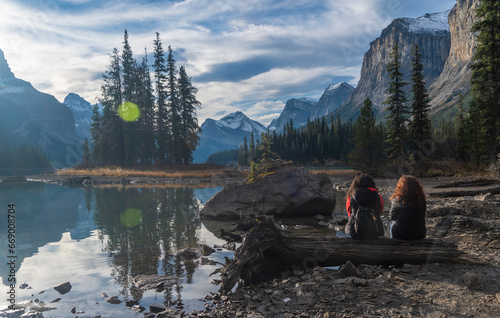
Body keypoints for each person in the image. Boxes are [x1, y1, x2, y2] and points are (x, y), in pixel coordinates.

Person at [344, 173, 385, 239]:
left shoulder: (351, 197)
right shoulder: (378, 196)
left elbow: (350, 213)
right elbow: (380, 211)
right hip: (374, 231)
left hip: (355, 231)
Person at [389, 175, 427, 240]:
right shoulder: (421, 199)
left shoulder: (398, 199)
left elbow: (393, 216)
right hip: (419, 232)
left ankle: (393, 243)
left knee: (392, 222)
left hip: (401, 233)